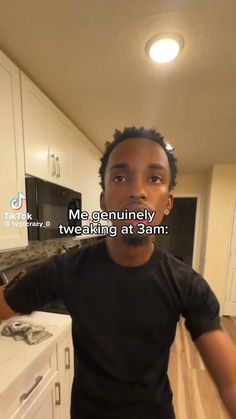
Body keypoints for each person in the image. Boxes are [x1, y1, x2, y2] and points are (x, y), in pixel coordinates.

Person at [0, 126, 236, 419]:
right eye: (121, 177)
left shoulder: (187, 284)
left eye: (154, 178)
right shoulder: (66, 269)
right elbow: (5, 304)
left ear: (168, 204)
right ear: (103, 201)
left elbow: (231, 384)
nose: (138, 191)